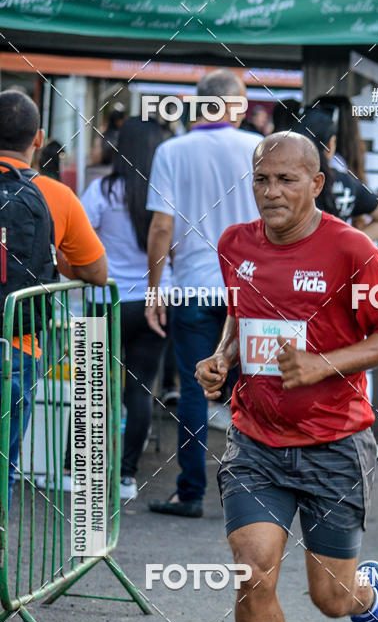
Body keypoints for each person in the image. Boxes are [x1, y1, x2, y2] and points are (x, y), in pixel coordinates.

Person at [195, 132, 378, 622]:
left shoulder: (352, 249)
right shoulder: (235, 244)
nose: (272, 192)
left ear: (317, 184)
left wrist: (324, 365)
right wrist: (222, 358)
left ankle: (365, 598)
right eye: (262, 179)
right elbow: (240, 315)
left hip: (334, 444)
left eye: (287, 180)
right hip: (256, 437)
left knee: (329, 597)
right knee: (251, 567)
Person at [145, 69, 262, 517]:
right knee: (252, 388)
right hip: (248, 288)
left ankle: (190, 492)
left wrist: (156, 289)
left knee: (196, 389)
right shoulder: (257, 147)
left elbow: (161, 227)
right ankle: (253, 493)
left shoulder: (171, 151)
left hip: (192, 287)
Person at [0, 90, 107, 502]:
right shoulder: (54, 195)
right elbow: (98, 273)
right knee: (3, 465)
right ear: (39, 138)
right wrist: (54, 257)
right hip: (17, 347)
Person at [81, 117, 168, 499]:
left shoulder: (102, 189)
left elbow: (78, 237)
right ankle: (127, 476)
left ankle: (83, 471)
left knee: (95, 387)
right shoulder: (167, 196)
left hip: (105, 299)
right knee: (140, 389)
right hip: (154, 301)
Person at [294, 109, 378, 241]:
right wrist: (347, 243)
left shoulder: (285, 180)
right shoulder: (345, 182)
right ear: (331, 143)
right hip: (333, 260)